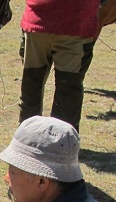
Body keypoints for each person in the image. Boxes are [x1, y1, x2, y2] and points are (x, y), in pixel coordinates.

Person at [18, 0, 100, 132]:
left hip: (37, 22)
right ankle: (60, 145)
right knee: (68, 91)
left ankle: (26, 139)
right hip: (75, 26)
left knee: (32, 85)